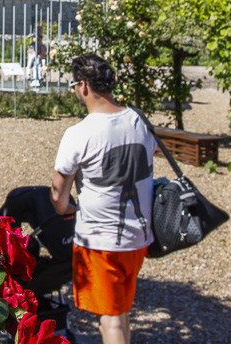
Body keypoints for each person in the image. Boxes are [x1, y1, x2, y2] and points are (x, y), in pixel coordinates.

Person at [51, 54, 157, 344]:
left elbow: (59, 196)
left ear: (83, 86)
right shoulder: (138, 120)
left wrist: (68, 208)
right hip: (138, 236)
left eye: (74, 85)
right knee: (121, 311)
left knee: (108, 319)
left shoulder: (79, 133)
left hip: (100, 239)